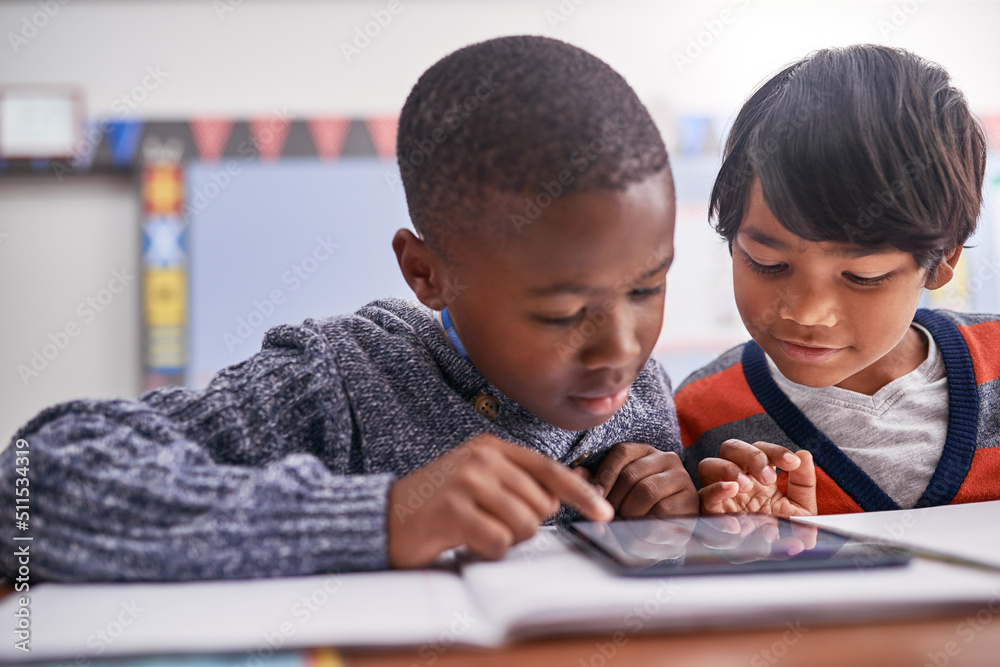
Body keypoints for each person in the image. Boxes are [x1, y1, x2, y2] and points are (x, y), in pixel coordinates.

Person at [0, 35, 696, 582]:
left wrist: (683, 503)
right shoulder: (337, 381)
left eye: (647, 289)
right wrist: (381, 517)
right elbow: (30, 487)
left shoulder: (646, 400)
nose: (621, 350)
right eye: (563, 312)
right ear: (427, 273)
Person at [675, 44, 1000, 516]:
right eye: (766, 262)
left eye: (862, 276)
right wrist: (718, 537)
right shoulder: (698, 418)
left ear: (943, 261)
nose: (805, 311)